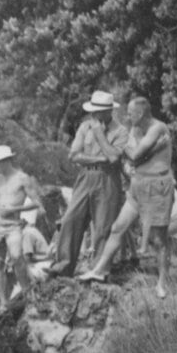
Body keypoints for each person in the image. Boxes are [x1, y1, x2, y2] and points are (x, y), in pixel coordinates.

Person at [82, 95, 176, 297]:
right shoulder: (135, 129)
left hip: (157, 187)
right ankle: (98, 270)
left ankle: (162, 283)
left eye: (130, 113)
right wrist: (130, 157)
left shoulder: (157, 128)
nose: (126, 116)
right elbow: (132, 161)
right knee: (118, 228)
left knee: (158, 239)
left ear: (140, 113)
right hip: (138, 186)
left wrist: (112, 142)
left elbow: (133, 155)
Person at [53, 90, 123, 276]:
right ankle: (63, 267)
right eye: (93, 110)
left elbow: (115, 159)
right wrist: (100, 158)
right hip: (85, 176)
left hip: (108, 180)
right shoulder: (85, 127)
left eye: (98, 111)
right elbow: (74, 155)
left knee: (103, 225)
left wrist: (100, 135)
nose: (93, 114)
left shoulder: (120, 131)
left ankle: (98, 270)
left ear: (109, 111)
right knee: (71, 219)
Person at [0, 145, 41, 307]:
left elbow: (36, 203)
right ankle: (4, 302)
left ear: (5, 161)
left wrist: (15, 209)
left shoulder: (22, 178)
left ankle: (27, 291)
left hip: (13, 223)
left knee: (16, 256)